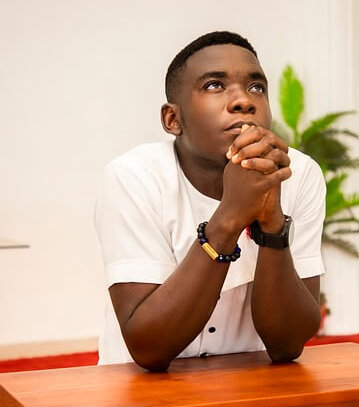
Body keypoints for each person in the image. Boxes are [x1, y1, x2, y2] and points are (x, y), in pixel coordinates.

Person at [95, 31, 326, 371]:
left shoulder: (298, 174)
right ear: (173, 119)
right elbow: (149, 347)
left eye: (256, 87)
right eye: (214, 85)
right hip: (138, 387)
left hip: (250, 384)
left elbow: (287, 344)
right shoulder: (133, 177)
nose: (244, 101)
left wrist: (272, 225)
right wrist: (230, 217)